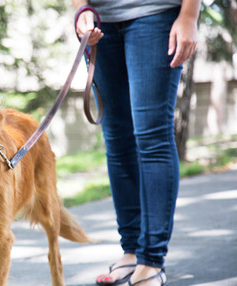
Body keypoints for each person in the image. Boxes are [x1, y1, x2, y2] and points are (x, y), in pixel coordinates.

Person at [73, 0, 201, 285]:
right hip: (101, 19)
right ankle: (131, 251)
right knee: (116, 141)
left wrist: (190, 14)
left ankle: (151, 259)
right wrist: (80, 9)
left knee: (152, 137)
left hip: (155, 12)